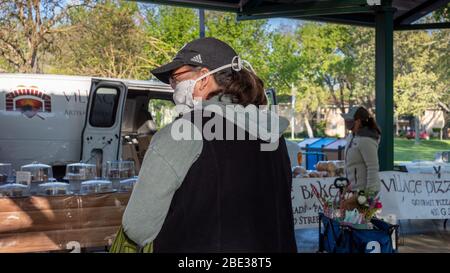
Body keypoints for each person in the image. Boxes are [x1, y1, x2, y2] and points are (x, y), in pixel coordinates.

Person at [113, 37, 297, 253]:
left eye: (176, 77)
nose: (173, 86)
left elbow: (138, 227)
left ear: (204, 78)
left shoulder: (181, 133)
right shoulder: (275, 133)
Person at [342, 106, 382, 202]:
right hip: (353, 190)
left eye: (350, 119)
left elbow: (373, 167)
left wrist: (369, 195)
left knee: (363, 217)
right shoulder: (351, 136)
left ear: (358, 121)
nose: (347, 121)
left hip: (363, 192)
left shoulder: (366, 140)